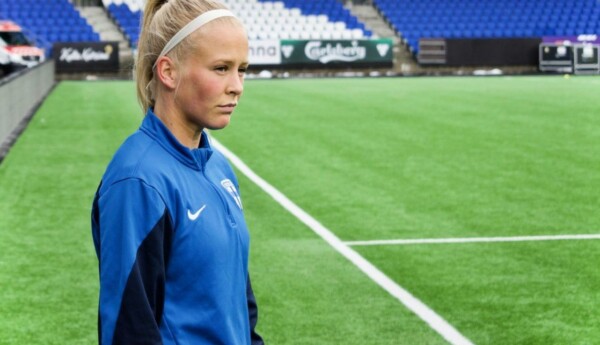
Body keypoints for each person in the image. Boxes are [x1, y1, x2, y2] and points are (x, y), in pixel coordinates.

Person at [91, 0, 263, 344]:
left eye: (241, 69)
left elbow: (239, 306)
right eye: (221, 68)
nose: (237, 86)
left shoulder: (217, 166)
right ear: (168, 72)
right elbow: (130, 328)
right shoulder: (139, 182)